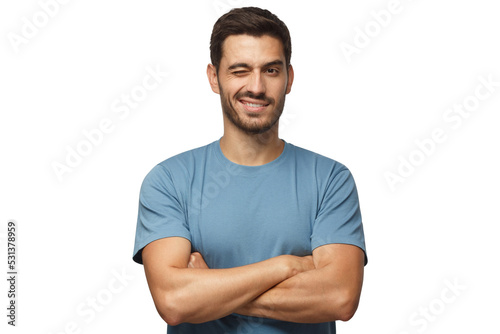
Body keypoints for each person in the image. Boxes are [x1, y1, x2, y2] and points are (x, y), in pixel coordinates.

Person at [133, 6, 367, 334]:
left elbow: (339, 296)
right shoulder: (169, 181)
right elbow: (173, 301)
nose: (256, 87)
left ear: (289, 78)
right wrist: (286, 266)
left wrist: (207, 289)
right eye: (240, 70)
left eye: (270, 70)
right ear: (214, 78)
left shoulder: (329, 179)